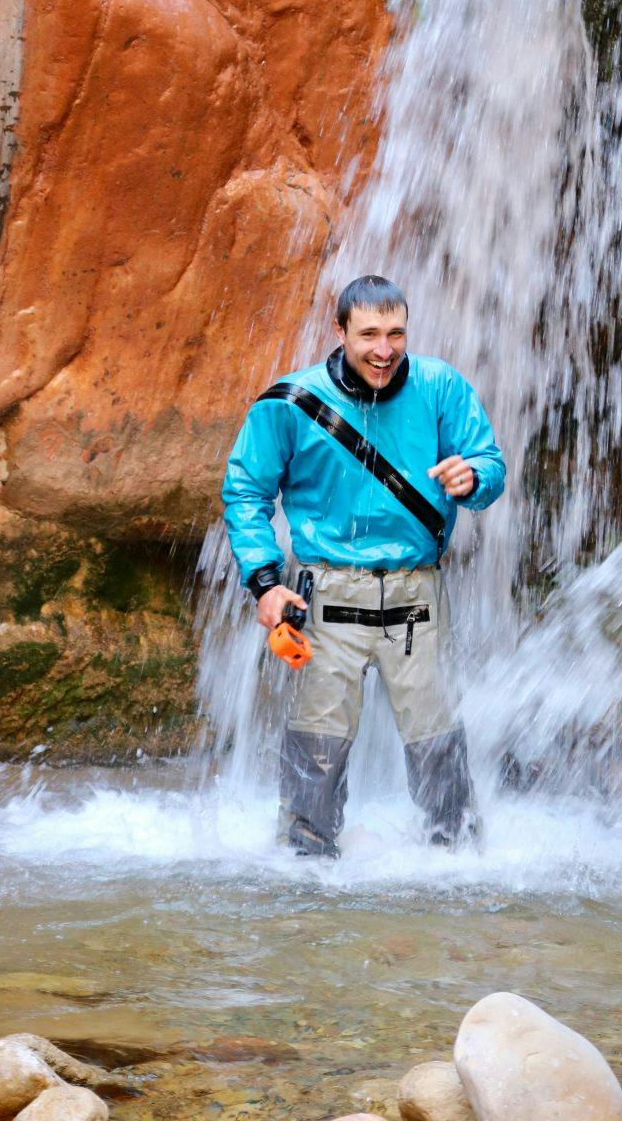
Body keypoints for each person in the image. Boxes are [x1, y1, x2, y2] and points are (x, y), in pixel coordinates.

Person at [222, 275, 505, 857]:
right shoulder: (290, 403)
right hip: (325, 596)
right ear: (340, 330)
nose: (384, 349)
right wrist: (265, 583)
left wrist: (473, 477)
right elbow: (246, 492)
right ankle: (304, 866)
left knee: (438, 742)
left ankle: (456, 864)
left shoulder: (440, 386)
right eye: (370, 334)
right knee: (316, 748)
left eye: (396, 333)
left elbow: (488, 463)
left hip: (416, 597)